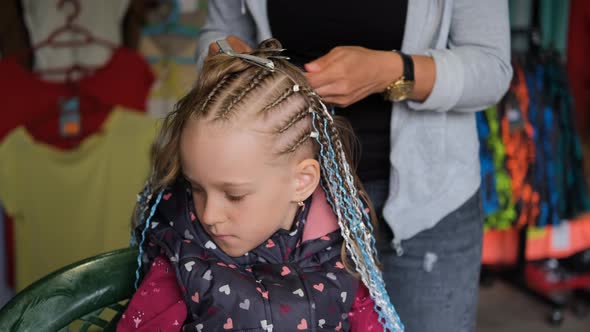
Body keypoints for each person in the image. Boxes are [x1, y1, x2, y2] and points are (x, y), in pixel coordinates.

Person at [195, 1, 512, 331]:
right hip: (283, 202)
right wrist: (222, 56)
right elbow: (218, 34)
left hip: (425, 207)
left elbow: (491, 68)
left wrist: (392, 72)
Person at [118, 39, 403, 332]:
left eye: (234, 195)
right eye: (197, 189)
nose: (209, 215)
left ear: (301, 182)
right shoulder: (181, 259)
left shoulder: (340, 253)